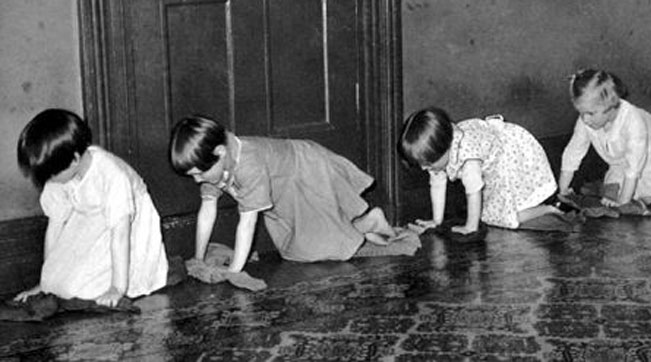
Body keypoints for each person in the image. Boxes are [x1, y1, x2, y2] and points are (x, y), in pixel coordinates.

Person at [169, 116, 399, 273]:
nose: (197, 180)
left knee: (315, 248)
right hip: (285, 190)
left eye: (199, 174)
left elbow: (247, 223)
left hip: (306, 170)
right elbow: (207, 210)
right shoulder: (216, 161)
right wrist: (198, 257)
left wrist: (234, 271)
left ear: (219, 152)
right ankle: (363, 225)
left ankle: (369, 221)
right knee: (292, 249)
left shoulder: (248, 163)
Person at [15, 109, 169, 308]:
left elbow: (120, 235)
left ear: (74, 160)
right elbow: (55, 225)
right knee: (58, 284)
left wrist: (117, 288)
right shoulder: (59, 174)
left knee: (79, 290)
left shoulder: (112, 175)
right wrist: (45, 283)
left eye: (52, 174)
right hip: (89, 217)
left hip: (126, 222)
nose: (49, 180)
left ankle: (117, 280)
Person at [398, 107, 559, 233]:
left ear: (446, 148)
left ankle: (549, 209)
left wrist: (470, 227)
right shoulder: (439, 152)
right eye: (420, 163)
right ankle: (532, 208)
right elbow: (437, 183)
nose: (424, 168)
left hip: (510, 153)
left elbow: (474, 190)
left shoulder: (469, 158)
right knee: (493, 210)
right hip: (495, 157)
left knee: (503, 218)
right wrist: (436, 220)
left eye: (427, 163)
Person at [559, 69, 651, 206]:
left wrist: (623, 203)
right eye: (581, 113)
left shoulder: (633, 122)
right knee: (614, 188)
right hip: (622, 161)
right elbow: (573, 152)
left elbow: (634, 167)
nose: (585, 119)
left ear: (610, 105)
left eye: (590, 113)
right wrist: (564, 189)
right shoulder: (586, 120)